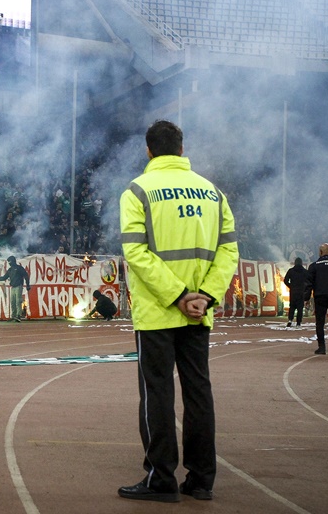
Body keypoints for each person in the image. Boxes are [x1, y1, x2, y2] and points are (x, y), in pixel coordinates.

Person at [118, 120, 239, 503]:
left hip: (158, 312)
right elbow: (229, 252)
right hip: (199, 313)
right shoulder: (214, 194)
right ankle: (202, 479)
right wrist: (202, 295)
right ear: (182, 150)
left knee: (157, 393)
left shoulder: (137, 191)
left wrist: (176, 295)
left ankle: (161, 479)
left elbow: (136, 253)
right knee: (199, 392)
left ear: (149, 151)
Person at [0, 255, 31, 322]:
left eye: (9, 261)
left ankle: (18, 316)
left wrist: (28, 285)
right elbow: (4, 277)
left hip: (18, 286)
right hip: (13, 287)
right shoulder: (10, 270)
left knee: (18, 301)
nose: (9, 263)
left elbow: (26, 275)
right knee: (12, 302)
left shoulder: (19, 268)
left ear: (13, 261)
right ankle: (14, 316)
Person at [283, 257, 307, 327]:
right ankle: (298, 323)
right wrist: (305, 288)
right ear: (301, 263)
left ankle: (290, 320)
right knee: (300, 308)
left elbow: (285, 280)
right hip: (301, 292)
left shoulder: (291, 271)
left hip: (293, 292)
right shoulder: (305, 271)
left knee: (292, 307)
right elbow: (309, 281)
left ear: (295, 263)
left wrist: (291, 286)